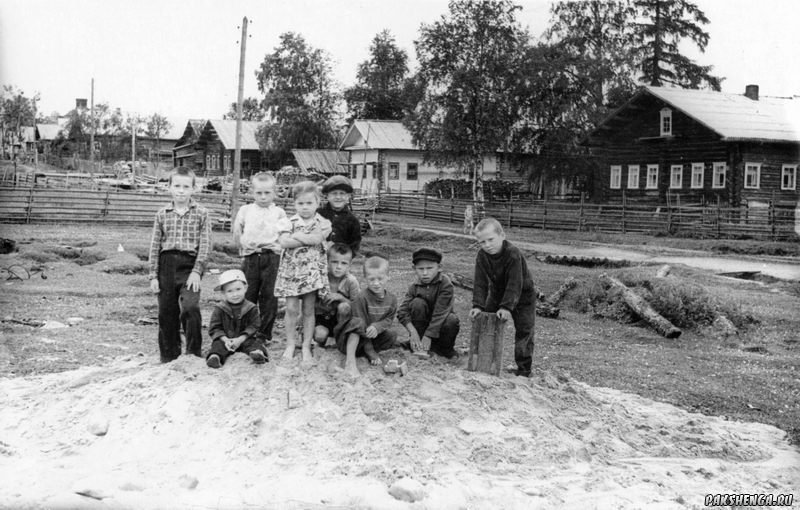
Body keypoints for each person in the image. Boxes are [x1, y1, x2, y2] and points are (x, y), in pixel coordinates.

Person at [148, 167, 210, 363]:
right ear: (169, 188)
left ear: (193, 189)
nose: (181, 191)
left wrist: (197, 271)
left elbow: (206, 244)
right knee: (166, 312)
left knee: (190, 307)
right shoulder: (162, 214)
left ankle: (193, 354)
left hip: (189, 266)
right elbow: (155, 245)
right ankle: (168, 356)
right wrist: (153, 275)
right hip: (166, 265)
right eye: (177, 186)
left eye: (185, 186)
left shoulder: (201, 213)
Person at [469, 218, 536, 378]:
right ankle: (487, 362)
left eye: (491, 240)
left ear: (502, 235)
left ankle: (524, 370)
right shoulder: (482, 256)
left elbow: (515, 283)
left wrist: (506, 307)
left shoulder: (513, 254)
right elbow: (480, 282)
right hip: (497, 292)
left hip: (523, 295)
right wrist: (478, 305)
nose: (487, 245)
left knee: (524, 330)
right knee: (487, 322)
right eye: (482, 242)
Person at [274, 180, 332, 364]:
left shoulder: (323, 222)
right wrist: (306, 239)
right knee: (291, 309)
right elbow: (284, 242)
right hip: (292, 271)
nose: (305, 207)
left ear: (317, 202)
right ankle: (290, 344)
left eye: (309, 203)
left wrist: (297, 236)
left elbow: (318, 238)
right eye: (300, 203)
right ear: (294, 203)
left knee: (308, 310)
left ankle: (306, 345)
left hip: (311, 273)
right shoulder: (287, 221)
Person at [232, 172, 287, 345]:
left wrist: (279, 248)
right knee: (248, 294)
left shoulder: (279, 212)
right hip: (251, 257)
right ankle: (245, 331)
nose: (263, 197)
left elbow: (285, 234)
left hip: (271, 258)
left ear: (274, 192)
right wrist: (242, 244)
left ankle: (264, 335)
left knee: (269, 297)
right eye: (259, 193)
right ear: (252, 192)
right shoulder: (245, 210)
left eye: (267, 193)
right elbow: (236, 231)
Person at [339, 256, 398, 377]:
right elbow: (360, 325)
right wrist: (369, 348)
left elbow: (389, 319)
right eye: (371, 279)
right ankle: (355, 357)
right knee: (358, 324)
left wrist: (377, 326)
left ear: (388, 277)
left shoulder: (392, 299)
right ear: (365, 279)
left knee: (392, 335)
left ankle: (365, 352)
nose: (376, 283)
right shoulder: (362, 298)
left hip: (372, 335)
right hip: (356, 338)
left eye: (380, 278)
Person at [397, 247, 460, 359]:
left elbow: (440, 313)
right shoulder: (414, 286)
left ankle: (445, 349)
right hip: (421, 331)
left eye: (430, 268)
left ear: (439, 268)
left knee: (451, 320)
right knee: (417, 303)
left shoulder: (445, 284)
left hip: (441, 327)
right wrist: (413, 333)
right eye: (421, 269)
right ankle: (418, 345)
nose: (425, 273)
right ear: (414, 268)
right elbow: (402, 312)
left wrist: (428, 335)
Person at [206, 269, 268, 368]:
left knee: (254, 343)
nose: (235, 294)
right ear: (223, 293)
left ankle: (257, 354)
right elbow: (215, 328)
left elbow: (254, 325)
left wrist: (240, 339)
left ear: (245, 288)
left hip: (244, 339)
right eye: (230, 291)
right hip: (226, 340)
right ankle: (215, 357)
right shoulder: (220, 308)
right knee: (217, 345)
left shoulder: (251, 307)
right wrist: (225, 340)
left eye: (238, 289)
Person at [313, 243, 360, 347]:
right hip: (321, 318)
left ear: (349, 265)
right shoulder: (320, 278)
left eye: (343, 263)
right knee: (320, 336)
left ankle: (340, 337)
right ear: (327, 261)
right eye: (334, 262)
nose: (338, 267)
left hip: (340, 320)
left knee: (344, 307)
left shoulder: (351, 281)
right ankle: (319, 341)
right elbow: (309, 303)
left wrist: (341, 298)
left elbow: (357, 306)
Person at [318, 175, 361, 255]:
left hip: (339, 262)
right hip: (316, 260)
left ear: (348, 196)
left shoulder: (352, 221)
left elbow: (354, 247)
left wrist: (341, 253)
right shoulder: (318, 215)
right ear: (327, 196)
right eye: (334, 193)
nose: (338, 197)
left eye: (342, 193)